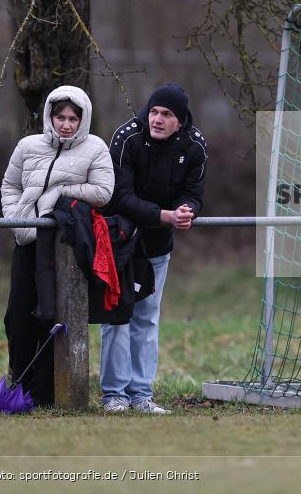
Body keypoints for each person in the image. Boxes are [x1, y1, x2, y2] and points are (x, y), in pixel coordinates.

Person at [0, 85, 115, 406]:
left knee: (53, 319)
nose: (66, 124)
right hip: (27, 244)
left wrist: (60, 192)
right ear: (50, 116)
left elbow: (104, 191)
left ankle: (46, 393)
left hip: (64, 247)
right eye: (60, 117)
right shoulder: (27, 146)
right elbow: (10, 185)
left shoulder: (95, 148)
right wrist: (17, 217)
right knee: (17, 318)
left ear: (83, 120)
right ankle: (19, 387)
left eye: (73, 118)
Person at [100, 82, 207, 414]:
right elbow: (119, 196)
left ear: (181, 121)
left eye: (167, 114)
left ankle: (141, 395)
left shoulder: (196, 147)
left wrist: (187, 210)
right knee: (117, 316)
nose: (157, 119)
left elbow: (193, 191)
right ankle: (114, 395)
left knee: (147, 318)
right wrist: (163, 215)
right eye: (154, 112)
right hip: (120, 241)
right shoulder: (125, 138)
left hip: (159, 246)